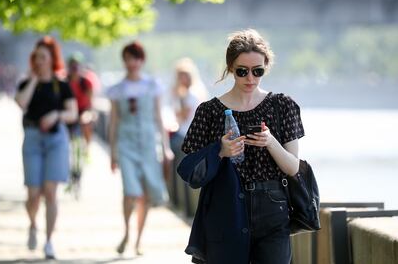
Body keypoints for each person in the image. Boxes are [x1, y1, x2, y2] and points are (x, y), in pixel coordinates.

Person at [177, 29, 305, 264]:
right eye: (242, 71)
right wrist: (221, 151)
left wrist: (271, 142)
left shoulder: (283, 106)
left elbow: (292, 167)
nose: (250, 78)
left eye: (258, 71)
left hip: (273, 209)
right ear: (230, 68)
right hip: (224, 209)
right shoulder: (209, 111)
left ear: (266, 66)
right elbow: (190, 172)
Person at [15, 36, 78, 259]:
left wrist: (56, 115)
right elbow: (21, 102)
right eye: (36, 57)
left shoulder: (61, 85)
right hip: (32, 138)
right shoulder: (26, 83)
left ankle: (49, 241)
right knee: (33, 194)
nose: (40, 61)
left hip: (55, 140)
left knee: (50, 193)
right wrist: (34, 79)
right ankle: (33, 224)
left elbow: (73, 113)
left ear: (52, 59)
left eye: (43, 57)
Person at [107, 41, 172, 255]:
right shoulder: (117, 89)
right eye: (128, 58)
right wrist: (112, 152)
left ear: (141, 60)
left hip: (147, 144)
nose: (131, 62)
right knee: (130, 192)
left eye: (135, 58)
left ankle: (138, 240)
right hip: (125, 143)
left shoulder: (152, 85)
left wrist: (166, 147)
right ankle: (126, 232)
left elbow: (159, 117)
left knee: (144, 194)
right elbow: (114, 121)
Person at [169, 58, 207, 210]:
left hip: (186, 137)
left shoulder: (189, 94)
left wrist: (178, 98)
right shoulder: (198, 91)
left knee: (184, 174)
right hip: (193, 137)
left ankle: (186, 208)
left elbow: (182, 116)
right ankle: (188, 208)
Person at [66, 53, 94, 146]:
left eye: (77, 66)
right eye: (72, 66)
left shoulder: (86, 82)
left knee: (86, 121)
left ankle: (87, 147)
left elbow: (90, 102)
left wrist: (89, 113)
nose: (75, 69)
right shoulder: (65, 82)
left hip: (83, 110)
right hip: (69, 111)